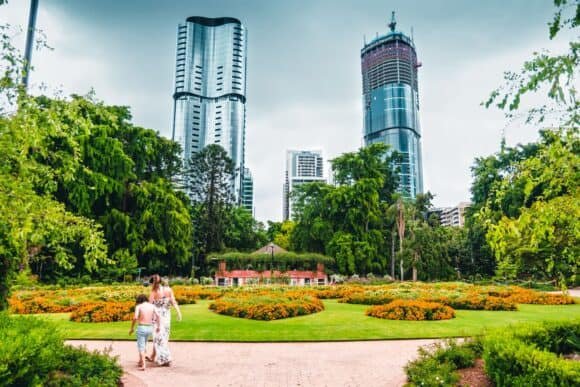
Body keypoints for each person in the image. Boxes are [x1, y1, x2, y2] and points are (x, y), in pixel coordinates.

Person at [147, 274, 182, 366]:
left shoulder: (153, 292)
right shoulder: (169, 290)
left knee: (158, 337)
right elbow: (173, 302)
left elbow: (150, 306)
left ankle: (166, 358)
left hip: (157, 317)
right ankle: (152, 356)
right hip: (166, 316)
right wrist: (179, 313)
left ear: (152, 283)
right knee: (162, 337)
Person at [129, 294, 159, 371]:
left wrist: (131, 328)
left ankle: (143, 365)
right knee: (144, 344)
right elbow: (158, 316)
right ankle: (140, 361)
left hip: (142, 327)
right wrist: (158, 326)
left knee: (141, 346)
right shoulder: (152, 306)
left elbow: (135, 317)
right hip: (150, 327)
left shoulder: (139, 307)